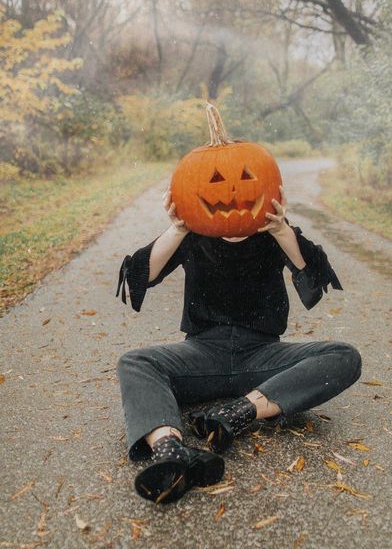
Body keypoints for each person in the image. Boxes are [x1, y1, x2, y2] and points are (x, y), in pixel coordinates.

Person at [115, 183, 361, 503]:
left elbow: (313, 270)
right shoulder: (194, 234)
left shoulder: (273, 234)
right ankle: (170, 451)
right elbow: (141, 273)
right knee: (135, 362)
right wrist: (178, 227)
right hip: (203, 354)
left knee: (344, 356)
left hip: (262, 355)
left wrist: (281, 228)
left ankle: (238, 413)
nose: (230, 201)